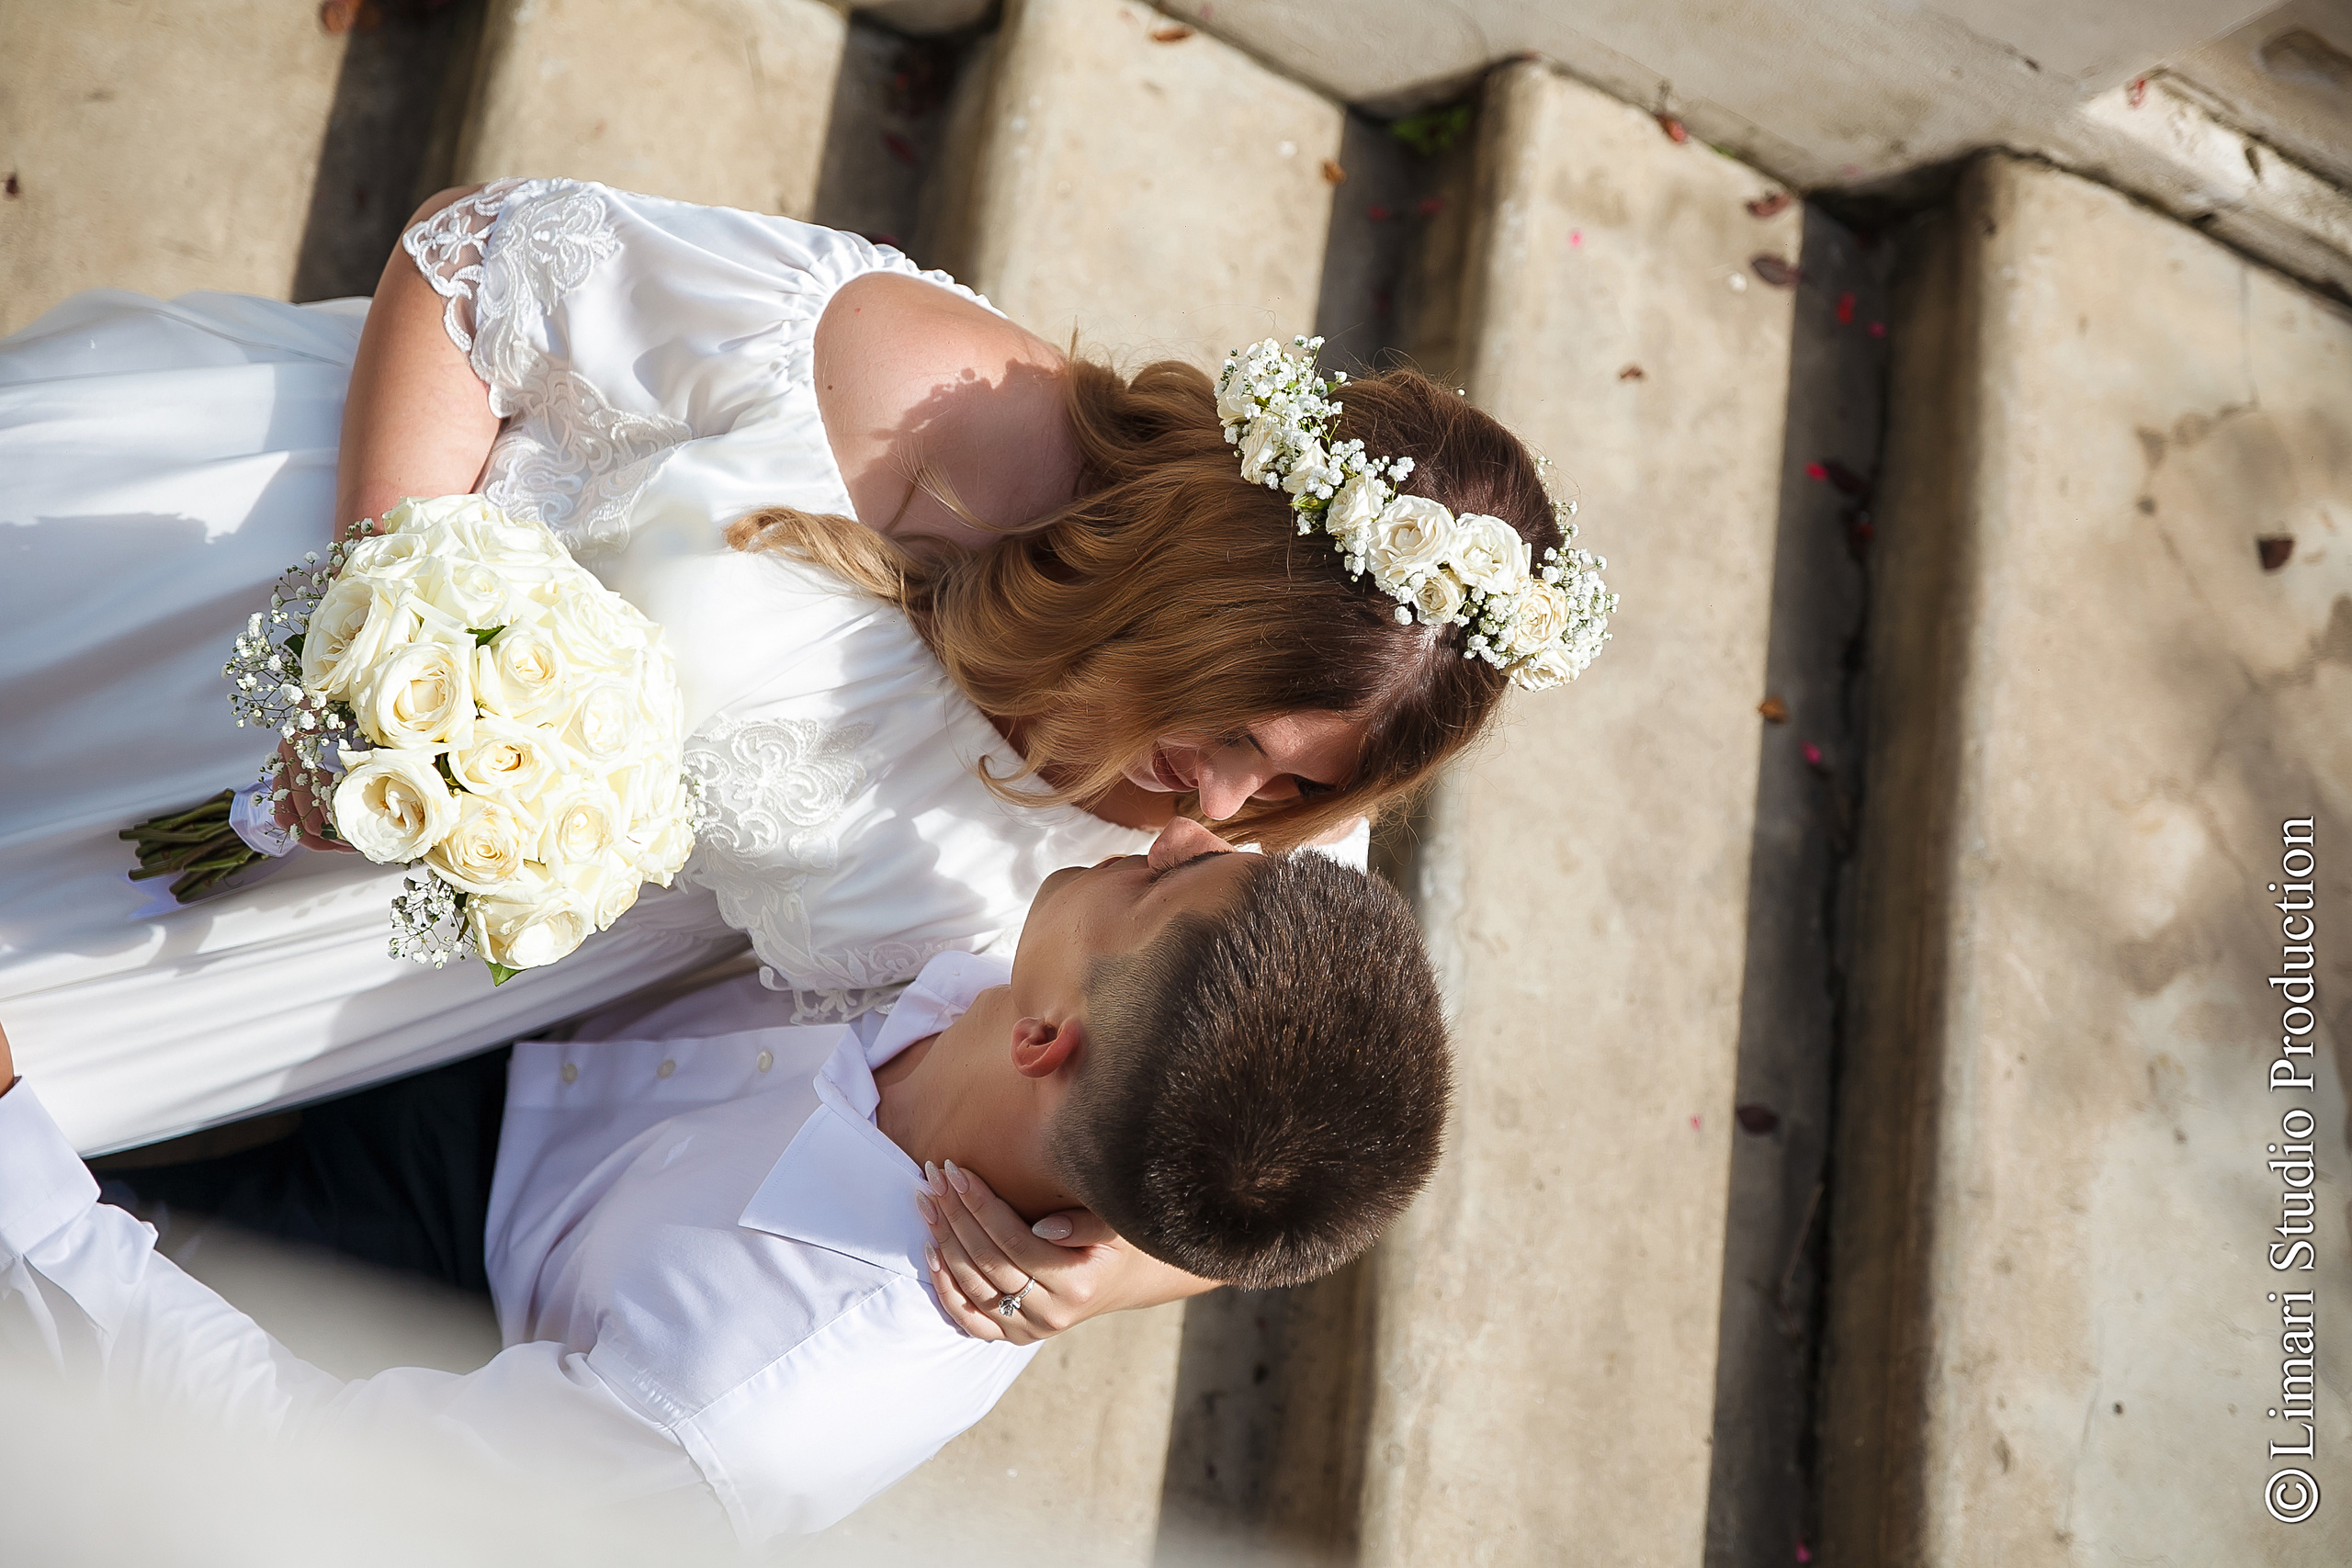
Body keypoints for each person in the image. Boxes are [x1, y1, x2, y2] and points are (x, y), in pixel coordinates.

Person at [0, 176, 1607, 1157]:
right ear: (1190, 594)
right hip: (233, 596)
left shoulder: (1242, 864)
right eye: (1236, 727)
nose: (1223, 805)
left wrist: (1102, 1275)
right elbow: (478, 264)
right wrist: (390, 604)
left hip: (367, 941)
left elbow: (1238, 1142)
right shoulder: (939, 406)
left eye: (1308, 783)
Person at [0, 818, 1453, 1544]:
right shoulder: (1138, 1019)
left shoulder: (743, 1402)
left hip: (420, 1289)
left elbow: (297, 1453)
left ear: (1044, 1041)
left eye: (1159, 878)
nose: (1187, 828)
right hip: (503, 1015)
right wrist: (1145, 1265)